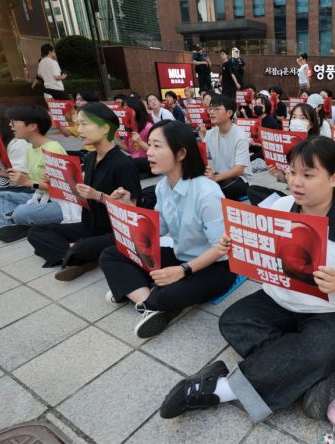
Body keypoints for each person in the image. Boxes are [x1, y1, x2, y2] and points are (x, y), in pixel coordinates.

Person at [159, 136, 335, 422]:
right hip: (278, 300)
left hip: (329, 312)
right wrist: (236, 243)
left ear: (333, 178)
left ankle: (219, 388)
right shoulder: (280, 207)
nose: (296, 182)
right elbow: (259, 248)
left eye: (308, 175)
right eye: (292, 172)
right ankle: (308, 374)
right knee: (233, 320)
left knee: (320, 349)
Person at [100, 120, 236, 338]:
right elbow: (157, 229)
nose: (148, 152)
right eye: (149, 145)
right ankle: (148, 304)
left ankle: (139, 292)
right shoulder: (163, 186)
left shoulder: (207, 193)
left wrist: (182, 271)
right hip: (180, 255)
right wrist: (129, 207)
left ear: (181, 153)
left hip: (215, 267)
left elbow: (222, 248)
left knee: (168, 295)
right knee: (111, 253)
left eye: (156, 146)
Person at [27, 103, 141, 281]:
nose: (79, 129)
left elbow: (132, 211)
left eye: (84, 124)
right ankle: (74, 256)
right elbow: (81, 193)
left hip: (115, 232)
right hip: (90, 225)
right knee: (37, 231)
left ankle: (74, 254)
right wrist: (59, 181)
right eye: (77, 124)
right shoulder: (89, 158)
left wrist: (99, 196)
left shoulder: (124, 165)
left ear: (104, 128)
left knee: (82, 247)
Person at [0, 106, 67, 242]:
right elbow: (31, 179)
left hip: (60, 204)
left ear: (32, 126)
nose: (10, 125)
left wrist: (28, 182)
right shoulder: (31, 148)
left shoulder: (53, 149)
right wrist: (1, 172)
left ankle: (17, 223)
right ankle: (13, 226)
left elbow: (66, 190)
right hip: (39, 197)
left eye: (14, 122)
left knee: (21, 212)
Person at [204, 94, 251, 200]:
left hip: (239, 179)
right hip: (218, 176)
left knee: (215, 189)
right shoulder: (210, 134)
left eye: (216, 109)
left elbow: (239, 170)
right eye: (210, 109)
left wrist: (215, 178)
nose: (211, 112)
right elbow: (204, 155)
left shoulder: (240, 135)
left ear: (229, 113)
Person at [122, 96, 154, 174]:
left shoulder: (148, 127)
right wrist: (115, 140)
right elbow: (129, 150)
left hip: (148, 161)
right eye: (124, 107)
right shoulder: (128, 127)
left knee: (128, 164)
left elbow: (154, 151)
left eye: (128, 107)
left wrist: (140, 142)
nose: (125, 110)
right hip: (134, 160)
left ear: (137, 109)